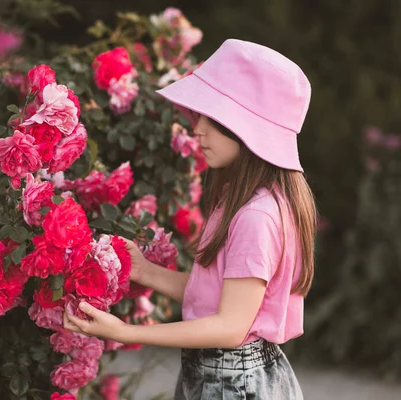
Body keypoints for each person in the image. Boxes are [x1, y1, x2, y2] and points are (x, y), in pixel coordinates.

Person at [63, 38, 316, 399]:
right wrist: (145, 271)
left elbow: (230, 327)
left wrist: (126, 332)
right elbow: (219, 297)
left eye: (213, 118)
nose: (197, 129)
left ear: (248, 128)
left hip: (233, 384)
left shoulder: (257, 216)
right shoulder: (244, 201)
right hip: (223, 376)